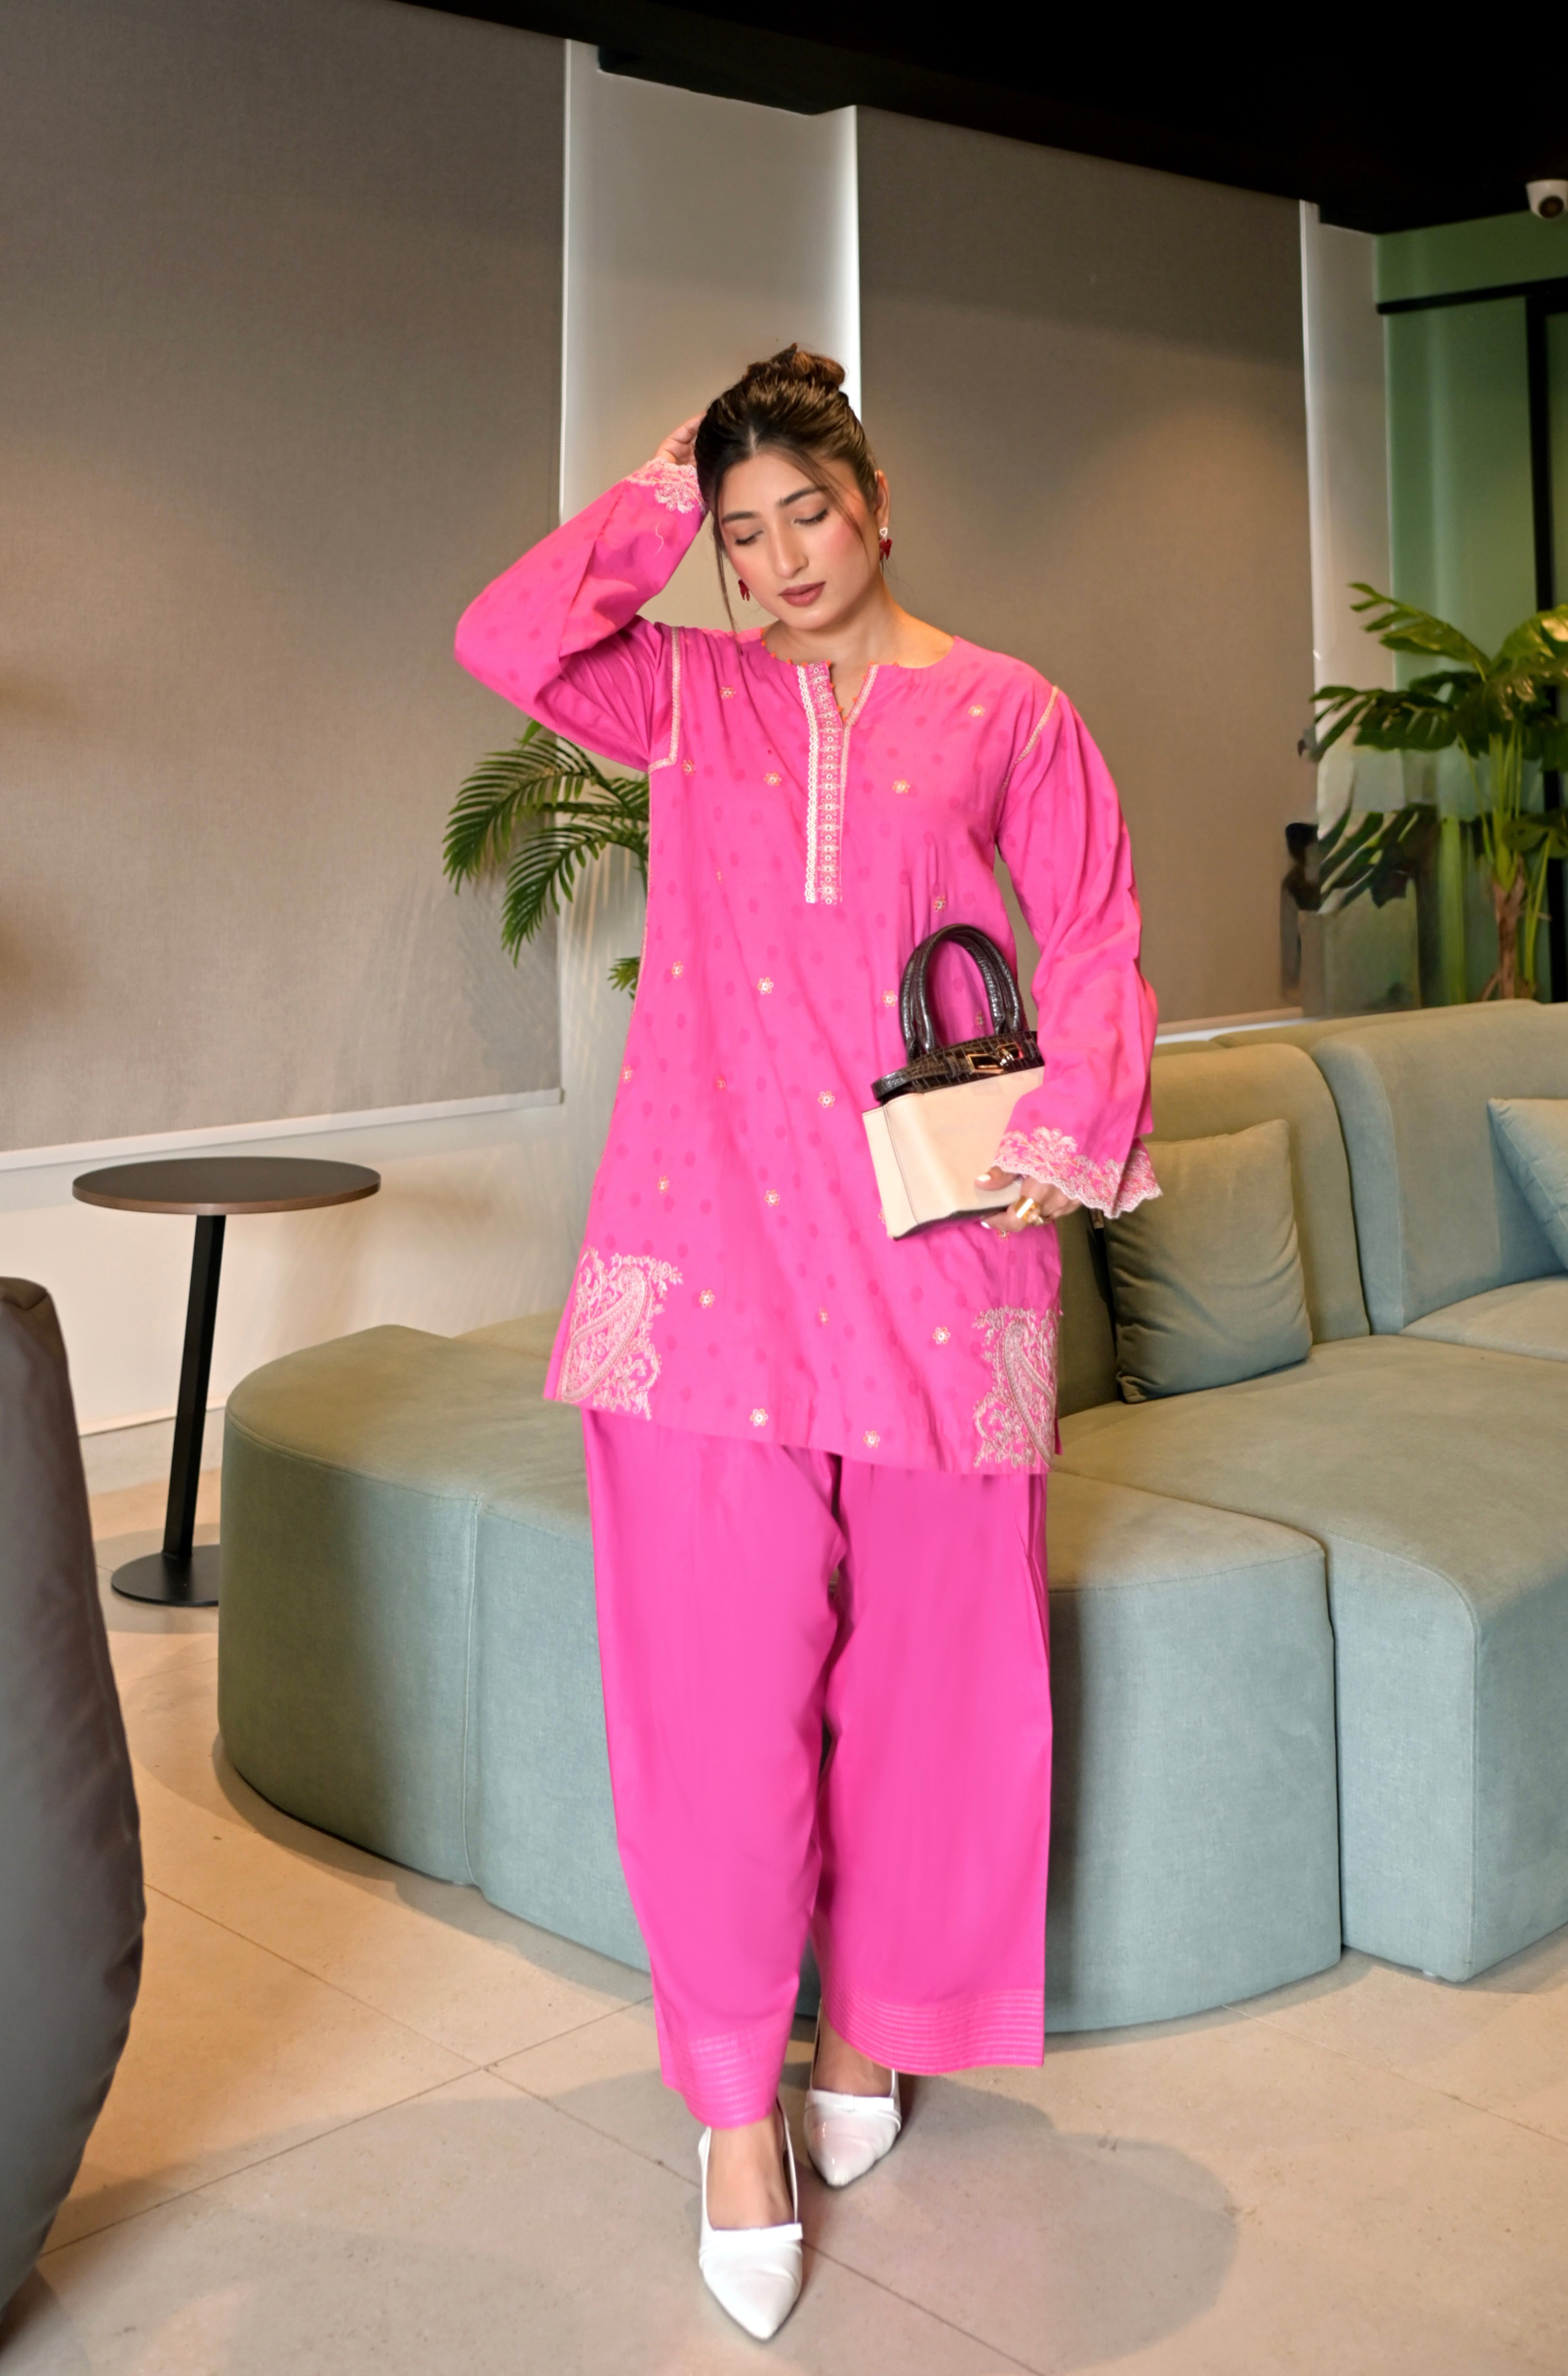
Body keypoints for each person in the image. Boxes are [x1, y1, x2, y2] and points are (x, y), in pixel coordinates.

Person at [455, 346, 1157, 2341]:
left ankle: (873, 2027)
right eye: (741, 531)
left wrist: (1063, 1138)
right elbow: (505, 635)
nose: (775, 562)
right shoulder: (687, 693)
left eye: (805, 516)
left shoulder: (1010, 708)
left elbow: (1094, 930)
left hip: (939, 1265)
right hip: (705, 1265)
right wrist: (670, 471)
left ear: (877, 503)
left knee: (937, 1691)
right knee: (713, 1702)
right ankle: (728, 2117)